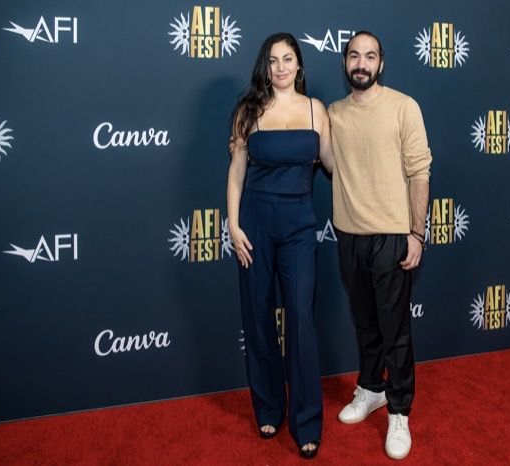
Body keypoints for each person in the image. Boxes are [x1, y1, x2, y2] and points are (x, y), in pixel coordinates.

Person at [227, 32, 333, 459]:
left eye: (288, 59)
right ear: (264, 66)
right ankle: (269, 407)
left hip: (299, 224)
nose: (281, 67)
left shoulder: (316, 110)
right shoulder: (248, 110)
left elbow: (334, 164)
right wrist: (232, 224)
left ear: (299, 64)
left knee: (301, 318)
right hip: (254, 220)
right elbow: (237, 170)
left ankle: (307, 420)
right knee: (257, 316)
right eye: (273, 60)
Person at [328, 31, 432, 460]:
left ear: (381, 63)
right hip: (349, 236)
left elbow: (420, 172)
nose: (362, 64)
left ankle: (400, 410)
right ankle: (371, 388)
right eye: (354, 56)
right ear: (345, 63)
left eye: (370, 56)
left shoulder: (404, 107)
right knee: (366, 324)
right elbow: (312, 147)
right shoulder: (333, 114)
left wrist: (416, 233)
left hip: (393, 236)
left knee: (395, 330)